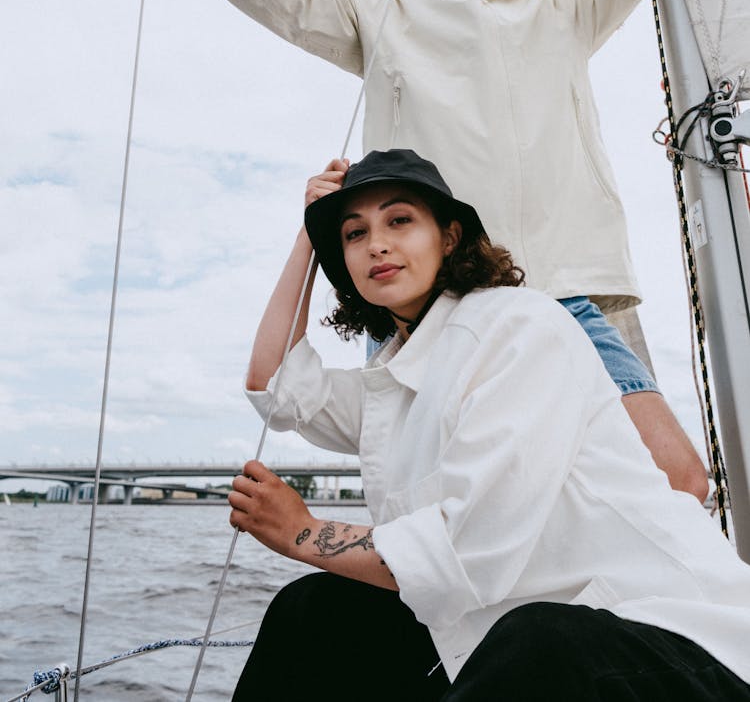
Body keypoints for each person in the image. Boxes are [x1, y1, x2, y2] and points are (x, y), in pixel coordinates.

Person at [141, 0, 708, 500]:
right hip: (436, 303)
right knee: (447, 504)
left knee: (673, 484)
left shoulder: (565, 14)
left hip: (568, 291)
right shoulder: (379, 12)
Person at [227, 148, 750, 701]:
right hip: (523, 646)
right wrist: (310, 236)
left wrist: (303, 533)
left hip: (677, 641)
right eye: (354, 234)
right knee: (315, 611)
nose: (376, 243)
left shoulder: (517, 327)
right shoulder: (396, 379)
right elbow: (276, 387)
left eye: (399, 220)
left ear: (450, 238)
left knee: (538, 641)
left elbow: (469, 553)